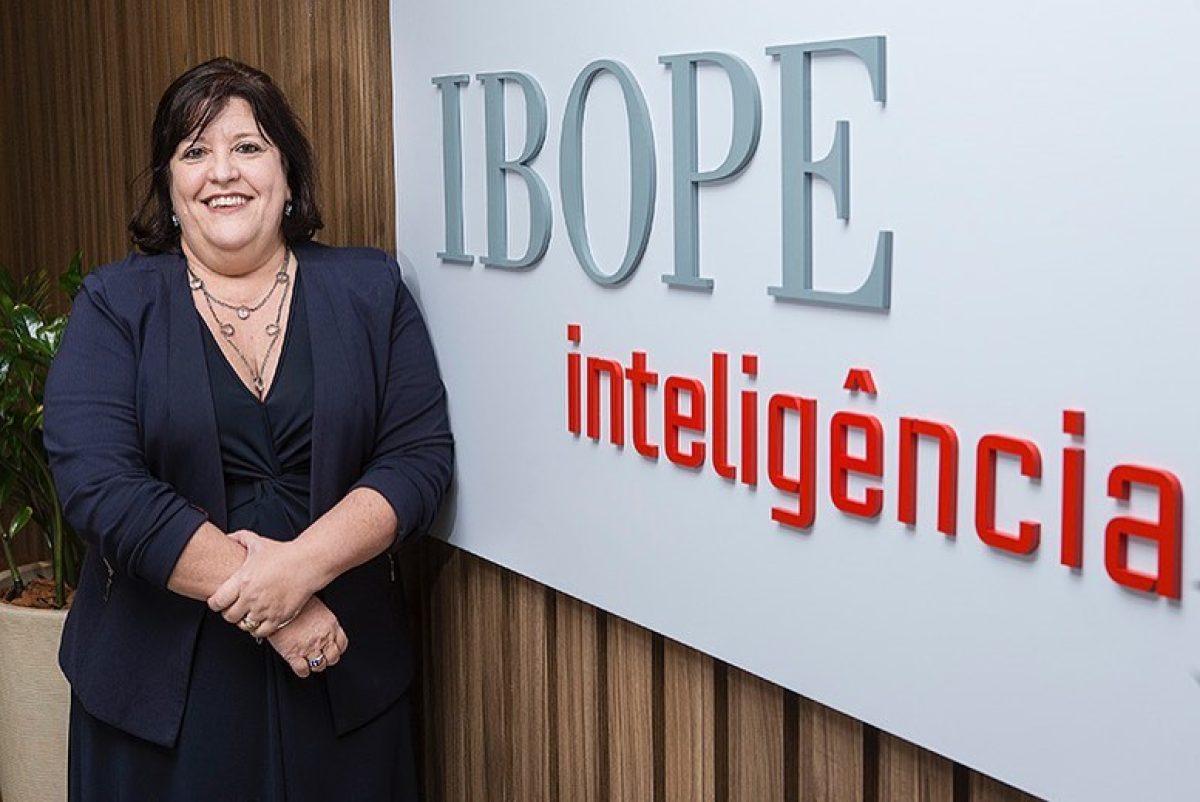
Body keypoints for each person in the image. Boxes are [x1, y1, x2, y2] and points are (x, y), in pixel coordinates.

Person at [43, 57, 452, 801]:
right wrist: (278, 610)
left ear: (288, 175)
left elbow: (417, 459)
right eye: (194, 151)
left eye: (248, 147)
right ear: (169, 186)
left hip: (342, 676)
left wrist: (297, 574)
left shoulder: (371, 290)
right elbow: (100, 485)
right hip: (159, 702)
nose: (222, 172)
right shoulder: (113, 305)